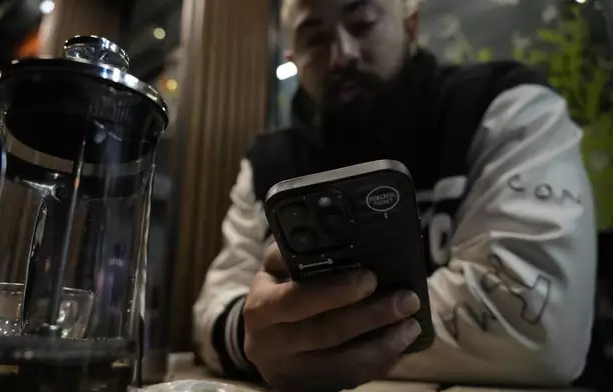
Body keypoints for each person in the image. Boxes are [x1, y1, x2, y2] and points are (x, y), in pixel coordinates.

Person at [193, 0, 597, 390]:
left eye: (363, 23)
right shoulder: (269, 164)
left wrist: (296, 335)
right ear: (293, 57)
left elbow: (540, 329)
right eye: (314, 39)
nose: (341, 55)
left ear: (410, 26)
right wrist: (255, 342)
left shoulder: (503, 107)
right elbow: (216, 303)